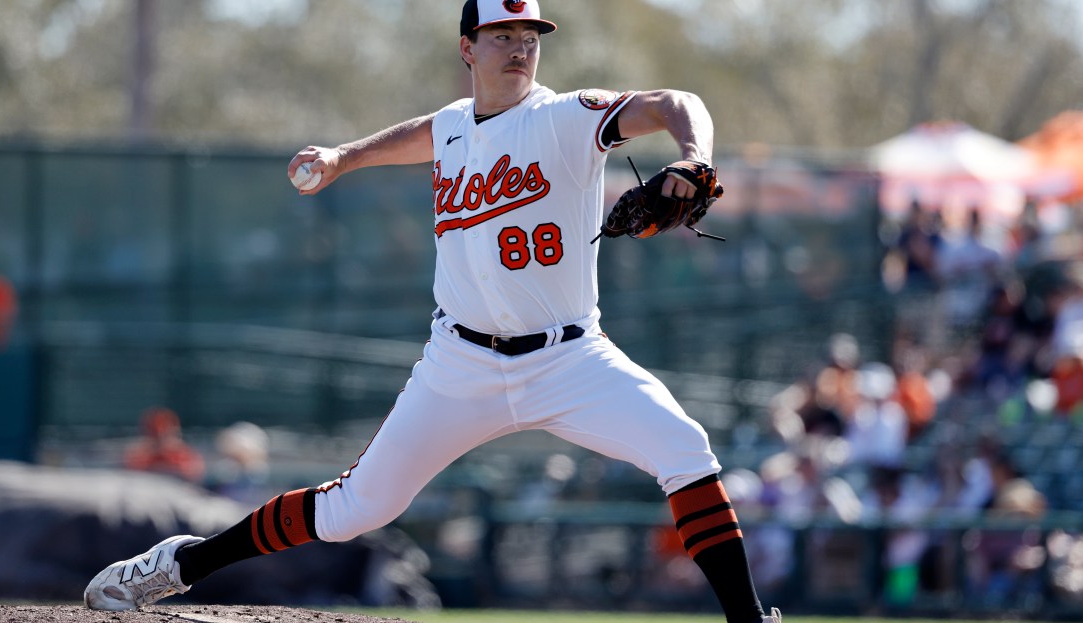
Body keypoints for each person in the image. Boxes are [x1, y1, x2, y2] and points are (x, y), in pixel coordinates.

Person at [83, 2, 780, 622]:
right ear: (467, 47)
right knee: (355, 509)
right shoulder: (452, 127)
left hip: (570, 356)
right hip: (460, 363)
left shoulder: (567, 116)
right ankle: (175, 565)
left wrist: (695, 155)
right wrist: (341, 157)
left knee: (685, 449)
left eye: (529, 36)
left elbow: (673, 97)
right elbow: (426, 130)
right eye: (501, 34)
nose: (518, 47)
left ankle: (748, 622)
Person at [122, 407, 206, 485]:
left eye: (163, 427)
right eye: (154, 429)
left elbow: (194, 474)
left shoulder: (183, 453)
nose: (159, 432)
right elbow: (131, 475)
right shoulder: (139, 453)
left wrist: (170, 460)